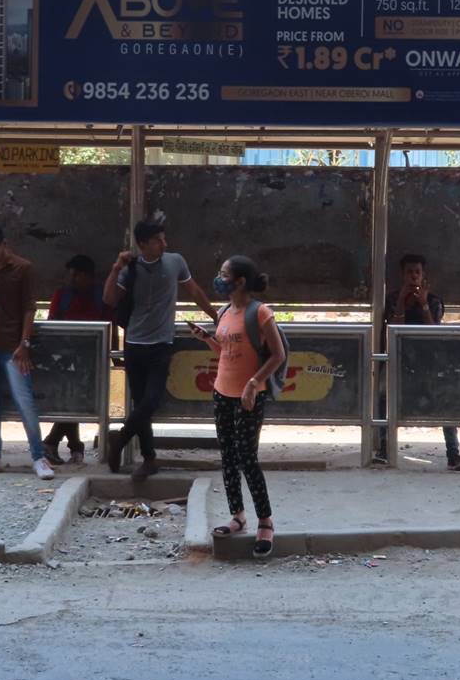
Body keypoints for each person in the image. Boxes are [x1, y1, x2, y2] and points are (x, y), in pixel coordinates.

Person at [102, 219, 216, 480]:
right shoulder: (130, 268)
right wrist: (115, 268)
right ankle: (149, 458)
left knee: (151, 400)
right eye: (158, 240)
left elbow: (194, 290)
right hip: (134, 343)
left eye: (164, 238)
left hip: (162, 344)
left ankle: (120, 439)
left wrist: (215, 316)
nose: (164, 243)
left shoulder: (176, 261)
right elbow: (109, 299)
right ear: (143, 245)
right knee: (141, 402)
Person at [189, 255, 282, 559]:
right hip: (222, 392)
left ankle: (265, 521)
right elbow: (226, 350)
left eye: (224, 274)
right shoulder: (225, 311)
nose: (219, 278)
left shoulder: (261, 313)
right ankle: (238, 516)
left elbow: (277, 355)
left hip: (248, 395)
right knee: (228, 456)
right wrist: (206, 339)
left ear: (240, 281)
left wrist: (254, 383)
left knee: (247, 457)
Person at [0, 223, 56, 481]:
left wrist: (24, 343)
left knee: (24, 401)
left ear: (4, 245)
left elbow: (30, 308)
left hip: (13, 347)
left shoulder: (23, 268)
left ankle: (38, 457)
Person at [381, 253, 460, 471]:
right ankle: (383, 448)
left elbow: (433, 333)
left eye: (417, 272)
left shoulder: (434, 301)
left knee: (444, 402)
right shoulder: (391, 300)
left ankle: (453, 453)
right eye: (409, 272)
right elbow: (392, 328)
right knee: (383, 395)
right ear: (402, 275)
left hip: (429, 362)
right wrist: (402, 301)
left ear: (423, 275)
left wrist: (423, 305)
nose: (413, 277)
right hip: (400, 359)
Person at [41, 253, 108, 464]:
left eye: (76, 275)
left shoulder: (101, 297)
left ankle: (56, 444)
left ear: (87, 276)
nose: (71, 279)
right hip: (65, 360)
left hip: (92, 360)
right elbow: (51, 325)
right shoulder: (63, 295)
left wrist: (112, 355)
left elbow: (110, 325)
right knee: (73, 402)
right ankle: (70, 447)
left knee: (77, 402)